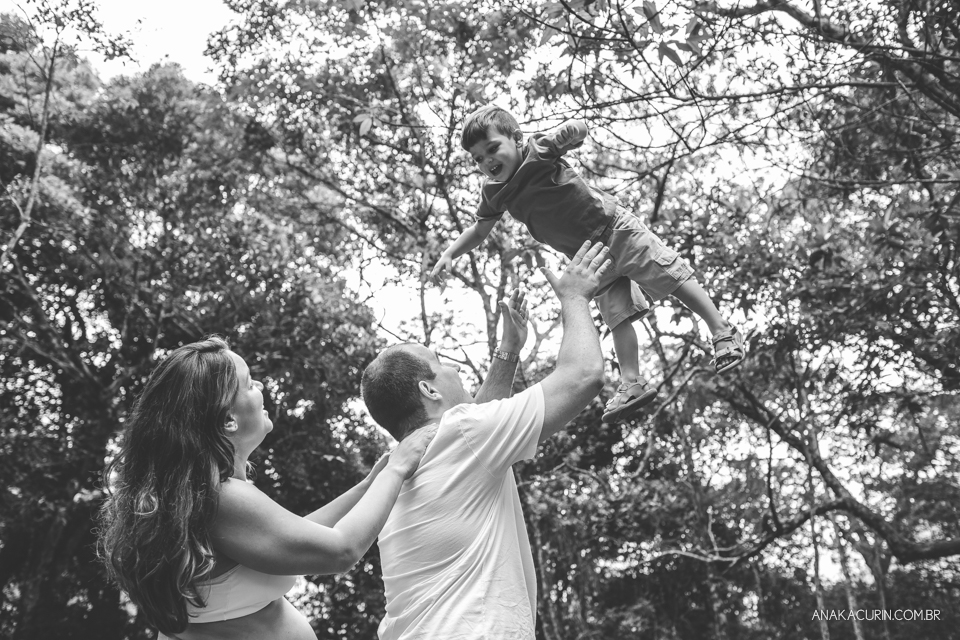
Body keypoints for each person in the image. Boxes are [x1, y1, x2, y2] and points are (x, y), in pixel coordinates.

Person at [97, 336, 436, 640]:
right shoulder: (220, 497)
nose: (259, 385)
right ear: (228, 418)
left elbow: (298, 535)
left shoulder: (204, 496)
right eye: (248, 384)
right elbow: (340, 550)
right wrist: (398, 467)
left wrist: (368, 485)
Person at [431, 104, 746, 423]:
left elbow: (575, 132)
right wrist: (449, 253)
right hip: (589, 258)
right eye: (478, 159)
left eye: (492, 148)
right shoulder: (494, 192)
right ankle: (632, 382)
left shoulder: (537, 152)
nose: (487, 162)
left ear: (516, 138)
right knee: (617, 317)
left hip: (616, 231)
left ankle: (721, 330)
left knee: (669, 276)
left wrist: (573, 131)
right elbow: (479, 228)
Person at [362, 240, 611, 639]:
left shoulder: (400, 471)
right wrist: (575, 296)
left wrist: (508, 351)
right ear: (429, 391)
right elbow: (583, 375)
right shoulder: (463, 435)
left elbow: (476, 432)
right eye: (441, 363)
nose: (455, 368)